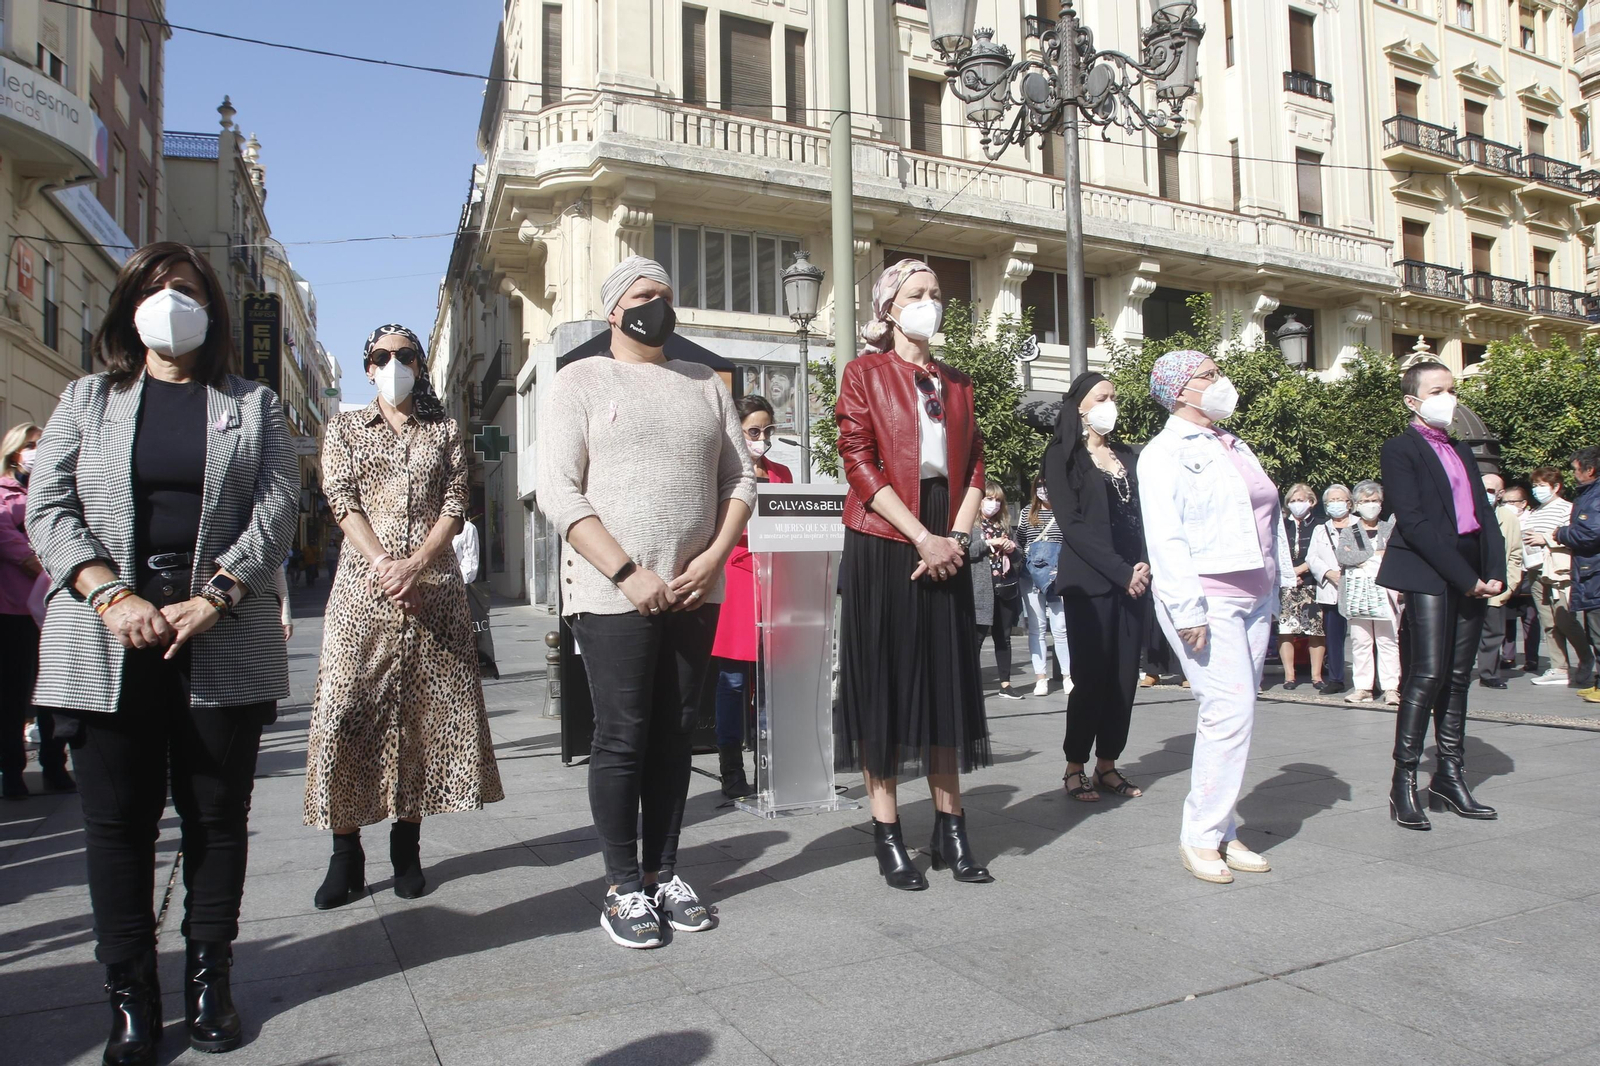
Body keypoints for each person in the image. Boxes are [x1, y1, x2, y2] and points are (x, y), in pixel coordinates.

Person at [25, 242, 298, 1062]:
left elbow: (280, 503)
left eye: (185, 289)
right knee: (118, 829)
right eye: (154, 288)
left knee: (217, 821)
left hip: (220, 632)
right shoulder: (86, 399)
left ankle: (211, 980)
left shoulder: (251, 404)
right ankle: (130, 999)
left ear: (211, 309)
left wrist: (219, 594)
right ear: (129, 306)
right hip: (108, 638)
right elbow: (50, 505)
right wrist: (108, 592)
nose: (169, 300)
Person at [539, 256, 756, 948]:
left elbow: (740, 478)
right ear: (613, 310)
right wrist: (628, 571)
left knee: (674, 733)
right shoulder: (579, 380)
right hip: (613, 592)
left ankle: (665, 871)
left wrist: (714, 557)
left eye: (664, 292)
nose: (656, 303)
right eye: (642, 294)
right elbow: (558, 491)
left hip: (696, 589)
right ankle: (622, 884)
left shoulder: (703, 383)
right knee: (623, 735)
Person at [304, 325, 504, 910]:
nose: (394, 364)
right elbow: (341, 499)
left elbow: (455, 505)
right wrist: (386, 565)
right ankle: (345, 853)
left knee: (420, 718)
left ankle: (407, 848)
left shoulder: (444, 431)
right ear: (367, 368)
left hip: (434, 589)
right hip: (363, 593)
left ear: (420, 364)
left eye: (405, 355)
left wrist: (416, 564)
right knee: (346, 714)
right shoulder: (342, 427)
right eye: (382, 356)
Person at [835, 258, 993, 891]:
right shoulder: (863, 373)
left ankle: (952, 829)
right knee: (887, 680)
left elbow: (976, 464)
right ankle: (888, 831)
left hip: (945, 531)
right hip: (885, 532)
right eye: (918, 293)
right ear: (888, 306)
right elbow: (859, 461)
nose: (931, 302)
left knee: (947, 682)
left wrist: (954, 535)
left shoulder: (959, 384)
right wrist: (920, 536)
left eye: (936, 293)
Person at [1138, 350, 1291, 884]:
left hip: (1255, 593)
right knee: (1228, 710)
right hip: (1208, 596)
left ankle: (1221, 829)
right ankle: (1200, 835)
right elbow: (1166, 535)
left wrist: (1280, 585)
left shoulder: (1232, 443)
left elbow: (1268, 518)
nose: (1221, 381)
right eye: (1209, 375)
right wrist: (1186, 610)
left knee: (1237, 712)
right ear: (1181, 390)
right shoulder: (1163, 452)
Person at [1377, 361, 1506, 831]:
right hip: (1430, 570)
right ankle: (1404, 781)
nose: (1448, 398)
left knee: (1457, 675)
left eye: (1452, 389)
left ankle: (1450, 776)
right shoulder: (1400, 449)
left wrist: (1493, 571)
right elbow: (1413, 521)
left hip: (1470, 569)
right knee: (1426, 674)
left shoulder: (1460, 449)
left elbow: (1482, 514)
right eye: (1437, 390)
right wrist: (1463, 576)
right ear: (1413, 401)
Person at [1043, 372, 1150, 803]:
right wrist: (1120, 571)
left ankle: (1108, 763)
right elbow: (1073, 526)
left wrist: (1141, 567)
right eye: (1102, 397)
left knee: (1124, 678)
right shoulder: (1062, 457)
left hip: (1134, 581)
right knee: (1091, 677)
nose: (1111, 403)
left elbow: (1142, 516)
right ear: (1081, 406)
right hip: (1091, 583)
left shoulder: (1127, 455)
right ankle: (1075, 766)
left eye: (1114, 397)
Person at [709, 395, 792, 799]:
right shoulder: (722, 474)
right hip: (737, 586)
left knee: (769, 684)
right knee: (733, 683)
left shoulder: (782, 473)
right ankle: (730, 769)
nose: (762, 438)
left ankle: (768, 765)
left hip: (775, 585)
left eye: (767, 430)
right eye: (754, 431)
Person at [2, 422, 74, 798]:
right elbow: (9, 541)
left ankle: (55, 763)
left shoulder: (55, 485)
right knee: (13, 695)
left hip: (55, 607)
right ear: (15, 452)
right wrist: (45, 562)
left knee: (54, 692)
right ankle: (12, 771)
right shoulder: (3, 494)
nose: (37, 450)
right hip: (14, 610)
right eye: (31, 445)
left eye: (42, 444)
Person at [1531, 446, 1600, 703]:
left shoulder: (1591, 497)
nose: (1573, 474)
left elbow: (1590, 532)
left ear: (1589, 469)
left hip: (1584, 571)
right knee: (1592, 629)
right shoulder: (1589, 494)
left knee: (1591, 627)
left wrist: (1558, 534)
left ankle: (1594, 677)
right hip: (1585, 571)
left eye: (1575, 469)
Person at [1328, 481, 1401, 705]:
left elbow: (1394, 557)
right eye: (1366, 501)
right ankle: (1363, 687)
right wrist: (1375, 554)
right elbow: (1344, 557)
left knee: (1388, 640)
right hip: (1358, 594)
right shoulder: (1350, 531)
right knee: (1361, 641)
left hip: (1385, 594)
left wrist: (1364, 555)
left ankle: (1391, 687)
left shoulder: (1390, 529)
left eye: (1375, 501)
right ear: (1357, 505)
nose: (1371, 505)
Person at [1521, 466, 1590, 688]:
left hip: (1559, 571)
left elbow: (1575, 537)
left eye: (1542, 486)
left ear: (1556, 487)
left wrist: (1546, 539)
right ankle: (1559, 667)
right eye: (1535, 485)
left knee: (1565, 619)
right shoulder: (1535, 511)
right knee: (1548, 621)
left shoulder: (1568, 509)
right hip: (1535, 570)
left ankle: (1586, 658)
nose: (1537, 490)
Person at [1017, 475, 1074, 696]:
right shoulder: (1025, 513)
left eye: (1047, 485)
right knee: (1037, 627)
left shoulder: (1063, 511)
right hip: (1030, 575)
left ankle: (1068, 675)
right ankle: (1041, 678)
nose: (1043, 489)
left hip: (1057, 576)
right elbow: (1022, 541)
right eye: (1039, 486)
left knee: (1061, 628)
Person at [974, 480, 1023, 700]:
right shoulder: (971, 526)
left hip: (1004, 588)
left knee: (1004, 638)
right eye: (989, 498)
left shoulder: (1003, 526)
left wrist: (1012, 548)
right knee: (976, 638)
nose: (993, 504)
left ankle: (1005, 683)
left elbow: (1019, 556)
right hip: (980, 589)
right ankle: (970, 684)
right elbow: (964, 551)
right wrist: (987, 543)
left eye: (997, 501)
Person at [1475, 472, 1523, 690]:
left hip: (1496, 585)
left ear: (1501, 494)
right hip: (1469, 583)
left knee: (1493, 633)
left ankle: (1489, 673)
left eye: (1491, 491)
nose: (1486, 494)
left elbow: (1514, 553)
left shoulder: (1508, 517)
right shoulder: (1467, 512)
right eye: (1482, 488)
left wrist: (1510, 585)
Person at [1277, 483, 1326, 690]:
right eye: (1293, 501)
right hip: (1286, 583)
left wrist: (1301, 570)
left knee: (1316, 630)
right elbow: (1275, 552)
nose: (1297, 504)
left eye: (1301, 500)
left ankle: (1317, 676)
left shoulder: (1320, 525)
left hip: (1312, 582)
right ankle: (1290, 675)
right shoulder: (1280, 526)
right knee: (1286, 629)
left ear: (1312, 502)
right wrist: (1289, 574)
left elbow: (1320, 553)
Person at [1305, 483, 1352, 696]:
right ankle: (1336, 679)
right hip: (1331, 588)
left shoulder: (1359, 525)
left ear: (1349, 503)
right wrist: (1328, 573)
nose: (1336, 504)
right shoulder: (1320, 529)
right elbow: (1312, 557)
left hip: (1357, 586)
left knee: (1364, 637)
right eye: (1331, 501)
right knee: (1334, 636)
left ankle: (1369, 680)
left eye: (1339, 499)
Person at [1499, 480, 1541, 673]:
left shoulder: (1533, 519)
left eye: (1512, 501)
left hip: (1528, 573)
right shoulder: (1501, 519)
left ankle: (1532, 658)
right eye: (1504, 501)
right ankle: (1508, 656)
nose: (1508, 505)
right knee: (1507, 617)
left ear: (1523, 503)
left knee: (1530, 618)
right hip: (1508, 572)